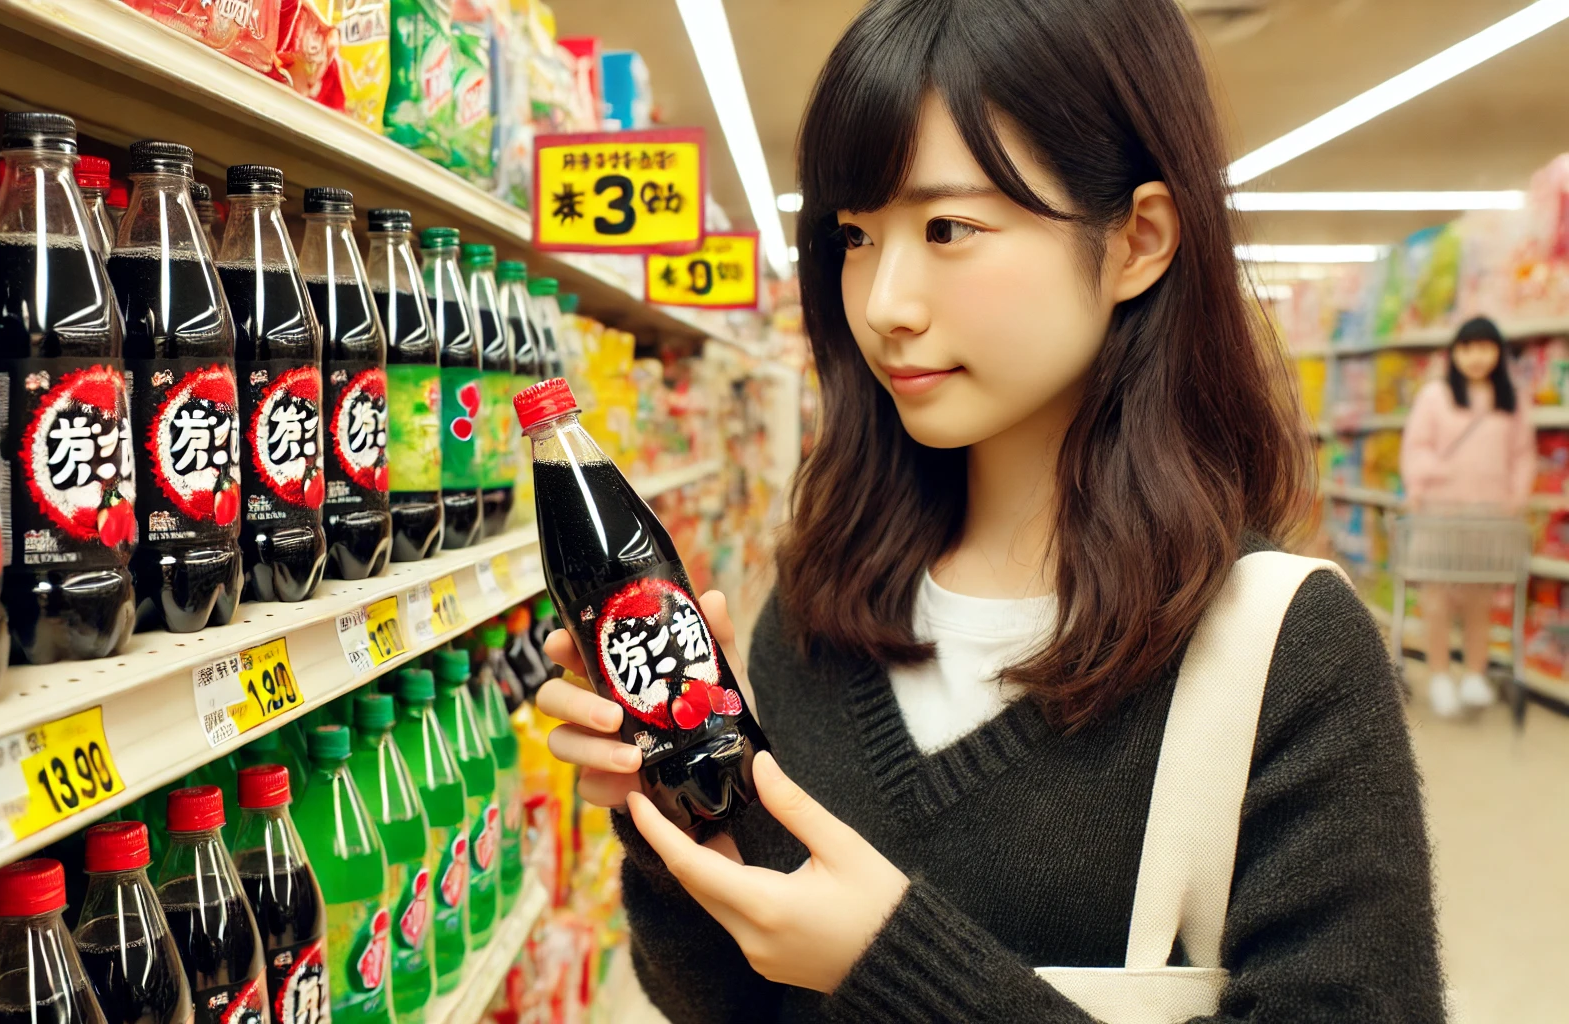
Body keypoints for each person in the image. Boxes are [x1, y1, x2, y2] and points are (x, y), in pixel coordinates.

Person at [533, 0, 1443, 1021]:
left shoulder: (1284, 650)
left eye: (946, 227)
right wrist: (682, 825)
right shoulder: (818, 606)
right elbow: (736, 1004)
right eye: (855, 237)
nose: (882, 303)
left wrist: (890, 964)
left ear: (1136, 240)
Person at [1399, 316, 1535, 718]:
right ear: (1455, 352)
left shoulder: (1512, 401)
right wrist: (1423, 481)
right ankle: (1440, 676)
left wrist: (1517, 497)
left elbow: (1523, 454)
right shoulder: (1434, 397)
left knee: (1480, 598)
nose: (1477, 356)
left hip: (1490, 517)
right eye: (1468, 347)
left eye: (1486, 347)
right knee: (1436, 599)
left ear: (1499, 353)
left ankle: (1475, 674)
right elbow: (1416, 446)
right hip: (1439, 514)